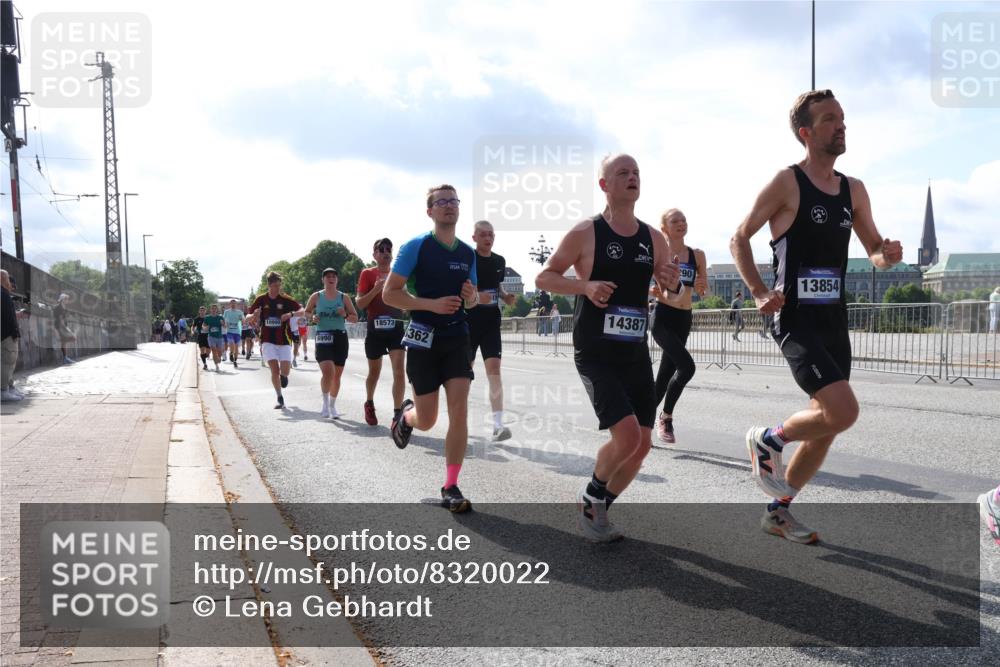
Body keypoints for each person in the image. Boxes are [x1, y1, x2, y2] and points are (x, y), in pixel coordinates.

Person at [730, 89, 903, 544]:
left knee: (826, 426)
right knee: (843, 411)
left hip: (833, 321)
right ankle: (768, 438)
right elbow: (739, 238)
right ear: (806, 133)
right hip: (795, 317)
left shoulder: (854, 189)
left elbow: (874, 254)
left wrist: (887, 254)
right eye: (829, 119)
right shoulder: (787, 182)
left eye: (842, 118)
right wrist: (758, 291)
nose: (840, 125)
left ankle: (778, 511)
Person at [535, 153, 680, 542]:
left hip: (634, 351)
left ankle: (599, 505)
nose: (632, 177)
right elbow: (545, 276)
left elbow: (672, 290)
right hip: (595, 350)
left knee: (643, 445)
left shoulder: (654, 237)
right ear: (604, 184)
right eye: (622, 173)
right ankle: (592, 494)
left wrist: (672, 282)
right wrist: (584, 286)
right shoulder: (587, 232)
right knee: (628, 437)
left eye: (636, 172)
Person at [383, 184, 479, 513]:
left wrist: (471, 296)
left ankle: (451, 485)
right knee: (427, 419)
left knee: (460, 411)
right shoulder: (416, 247)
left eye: (454, 201)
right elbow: (390, 294)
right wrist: (431, 305)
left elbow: (475, 296)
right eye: (442, 202)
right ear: (430, 211)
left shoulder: (467, 253)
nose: (449, 206)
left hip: (456, 338)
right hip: (423, 338)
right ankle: (406, 418)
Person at [650, 208, 708, 445]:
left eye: (683, 219)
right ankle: (666, 417)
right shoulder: (658, 255)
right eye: (675, 220)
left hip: (684, 318)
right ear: (664, 228)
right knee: (687, 367)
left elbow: (702, 291)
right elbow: (650, 286)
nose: (681, 223)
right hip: (662, 316)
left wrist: (703, 287)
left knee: (664, 377)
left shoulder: (697, 255)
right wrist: (652, 291)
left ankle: (639, 420)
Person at [468, 220, 517, 441]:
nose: (488, 238)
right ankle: (460, 421)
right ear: (474, 237)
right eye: (483, 234)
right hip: (468, 323)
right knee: (463, 375)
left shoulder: (499, 261)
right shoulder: (468, 259)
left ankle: (498, 425)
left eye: (491, 234)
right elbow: (462, 288)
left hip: (490, 324)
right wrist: (477, 296)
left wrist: (505, 296)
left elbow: (498, 285)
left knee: (494, 372)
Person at [356, 238, 406, 425]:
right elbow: (360, 303)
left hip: (396, 328)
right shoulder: (367, 274)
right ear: (374, 254)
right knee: (374, 372)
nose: (385, 252)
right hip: (375, 329)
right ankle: (369, 402)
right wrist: (376, 289)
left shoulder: (398, 273)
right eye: (381, 249)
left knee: (399, 372)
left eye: (388, 249)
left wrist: (406, 303)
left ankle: (397, 414)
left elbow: (406, 297)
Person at [304, 268, 358, 418]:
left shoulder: (344, 297)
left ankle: (333, 406)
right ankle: (325, 403)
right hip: (323, 336)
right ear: (323, 280)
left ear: (337, 280)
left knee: (337, 376)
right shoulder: (316, 296)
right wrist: (312, 317)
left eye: (334, 276)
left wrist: (345, 315)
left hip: (340, 336)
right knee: (328, 372)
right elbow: (306, 312)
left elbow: (355, 318)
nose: (331, 279)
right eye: (328, 276)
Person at [247, 271, 302, 409]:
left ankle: (284, 377)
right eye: (275, 285)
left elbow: (303, 310)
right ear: (269, 285)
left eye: (279, 285)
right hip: (267, 340)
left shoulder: (285, 299)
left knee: (284, 372)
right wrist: (253, 315)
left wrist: (290, 314)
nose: (278, 288)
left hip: (284, 340)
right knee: (274, 371)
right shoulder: (261, 299)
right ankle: (279, 397)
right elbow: (247, 317)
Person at [1, 270, 23, 402]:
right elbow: (8, 317)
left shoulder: (4, 294)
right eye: (8, 280)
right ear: (2, 279)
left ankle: (8, 388)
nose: (10, 283)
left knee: (8, 362)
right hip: (6, 335)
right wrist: (14, 333)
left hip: (6, 334)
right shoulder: (2, 295)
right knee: (7, 362)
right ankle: (3, 390)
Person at [53, 293, 76, 363]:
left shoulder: (64, 308)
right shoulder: (58, 307)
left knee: (65, 342)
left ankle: (65, 358)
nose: (67, 300)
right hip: (60, 327)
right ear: (62, 300)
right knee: (70, 338)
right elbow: (60, 320)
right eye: (66, 299)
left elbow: (64, 319)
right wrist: (67, 329)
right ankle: (65, 358)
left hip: (63, 327)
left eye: (67, 299)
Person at [223, 299, 245, 369]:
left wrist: (242, 320)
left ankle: (235, 361)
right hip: (229, 332)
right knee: (232, 344)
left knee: (236, 347)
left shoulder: (239, 312)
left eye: (234, 303)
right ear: (230, 304)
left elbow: (243, 321)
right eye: (232, 303)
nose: (233, 304)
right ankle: (231, 354)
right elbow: (223, 321)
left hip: (237, 332)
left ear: (236, 304)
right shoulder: (226, 312)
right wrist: (225, 324)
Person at [203, 305, 226, 372]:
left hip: (219, 337)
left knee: (219, 353)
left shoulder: (220, 317)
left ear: (217, 310)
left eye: (215, 309)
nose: (213, 310)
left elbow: (225, 326)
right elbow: (204, 325)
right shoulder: (207, 318)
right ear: (210, 310)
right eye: (212, 309)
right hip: (211, 336)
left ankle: (219, 358)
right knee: (213, 350)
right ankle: (216, 366)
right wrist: (205, 327)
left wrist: (222, 324)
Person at [192, 306, 210, 370]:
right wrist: (192, 331)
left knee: (208, 352)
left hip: (208, 336)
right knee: (202, 350)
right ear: (199, 311)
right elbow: (193, 326)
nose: (202, 312)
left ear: (205, 311)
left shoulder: (208, 318)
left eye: (203, 310)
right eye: (201, 310)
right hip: (201, 336)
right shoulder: (196, 319)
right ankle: (205, 364)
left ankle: (205, 356)